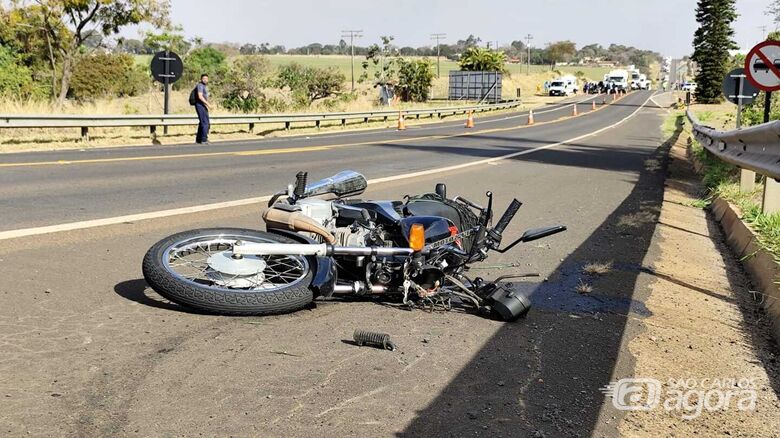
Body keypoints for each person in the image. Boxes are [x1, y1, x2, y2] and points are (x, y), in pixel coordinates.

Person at [194, 74, 210, 145]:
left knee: (202, 122)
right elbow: (200, 96)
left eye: (206, 78)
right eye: (204, 78)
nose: (205, 80)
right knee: (205, 123)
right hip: (200, 105)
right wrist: (208, 104)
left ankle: (199, 139)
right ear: (201, 79)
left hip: (203, 106)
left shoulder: (204, 86)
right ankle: (204, 139)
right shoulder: (200, 86)